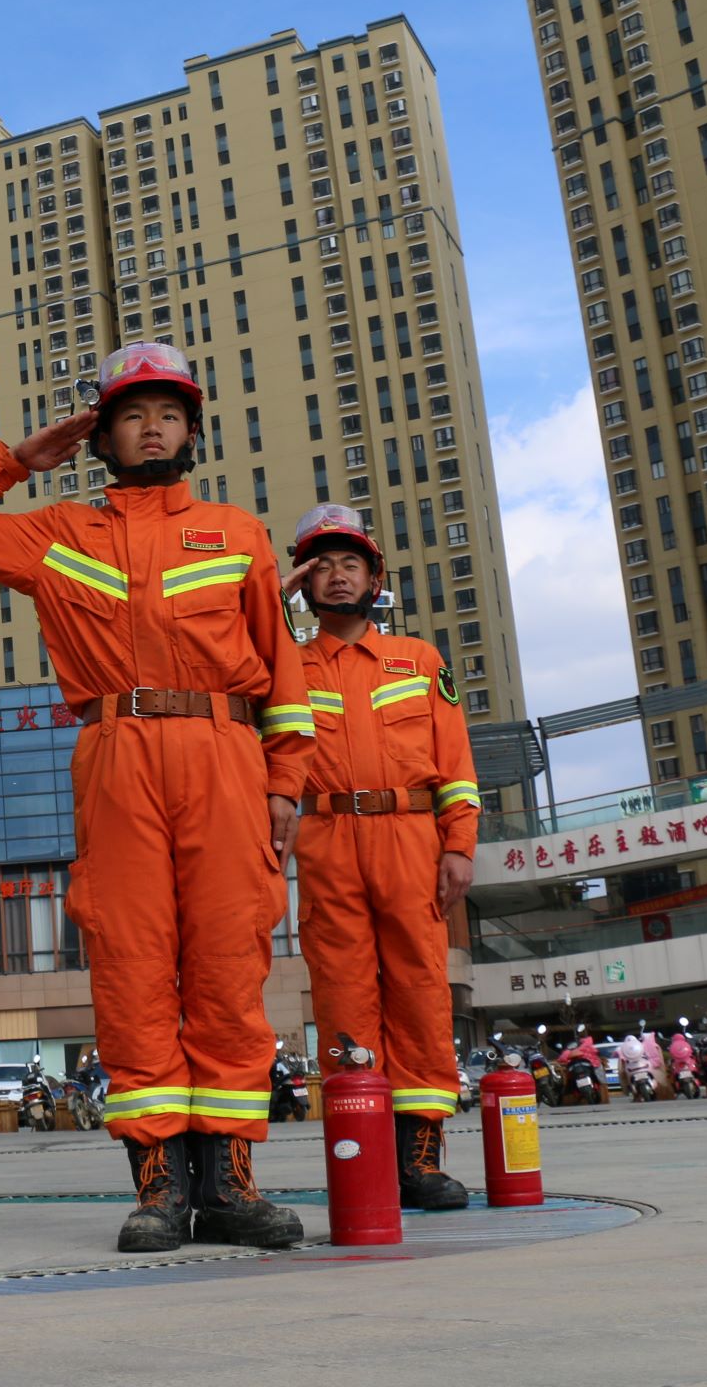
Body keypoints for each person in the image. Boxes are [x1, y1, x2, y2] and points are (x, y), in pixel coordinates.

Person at [0, 341, 311, 1253]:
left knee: (226, 961)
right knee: (132, 962)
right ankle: (158, 1190)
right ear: (102, 435)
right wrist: (19, 460)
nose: (151, 429)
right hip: (115, 749)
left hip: (222, 751)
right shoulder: (55, 532)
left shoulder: (237, 532)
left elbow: (280, 670)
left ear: (191, 431)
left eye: (167, 415)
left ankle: (231, 1187)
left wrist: (283, 779)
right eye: (131, 415)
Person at [280, 503, 480, 1211]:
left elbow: (454, 761)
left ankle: (420, 1160)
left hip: (409, 837)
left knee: (419, 992)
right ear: (304, 581)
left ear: (375, 576)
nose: (337, 578)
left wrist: (458, 843)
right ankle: (360, 1151)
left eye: (349, 563)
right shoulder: (286, 668)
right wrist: (272, 604)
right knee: (341, 994)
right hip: (328, 840)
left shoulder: (418, 660)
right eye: (321, 565)